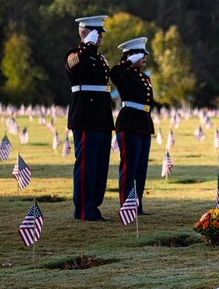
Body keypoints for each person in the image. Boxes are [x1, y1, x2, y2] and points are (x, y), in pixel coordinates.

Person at [66, 16, 114, 221]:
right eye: (97, 32)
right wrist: (87, 46)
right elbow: (74, 69)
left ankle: (93, 207)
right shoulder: (75, 54)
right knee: (86, 165)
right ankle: (83, 210)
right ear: (85, 32)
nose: (100, 36)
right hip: (85, 116)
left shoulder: (100, 58)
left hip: (101, 116)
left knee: (100, 166)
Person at [111, 37, 155, 215]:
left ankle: (137, 205)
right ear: (130, 56)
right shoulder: (124, 74)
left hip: (143, 122)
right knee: (129, 166)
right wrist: (127, 61)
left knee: (141, 168)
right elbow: (113, 74)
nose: (144, 58)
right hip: (129, 122)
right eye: (140, 55)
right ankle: (126, 206)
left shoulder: (144, 77)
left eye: (145, 54)